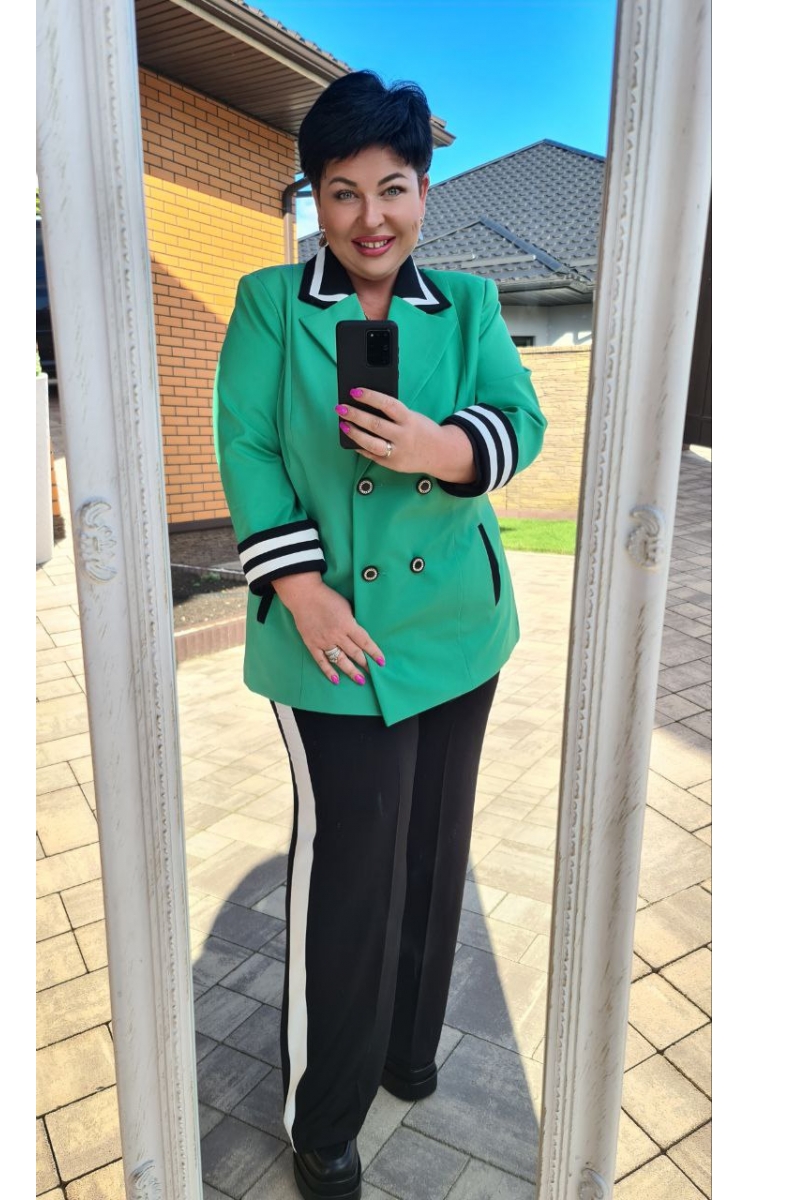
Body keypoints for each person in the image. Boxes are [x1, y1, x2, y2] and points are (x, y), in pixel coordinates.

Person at [213, 69, 547, 1200]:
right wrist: (301, 589)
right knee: (350, 871)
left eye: (392, 188)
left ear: (424, 192)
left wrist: (443, 450)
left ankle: (410, 1047)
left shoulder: (470, 304)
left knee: (435, 850)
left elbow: (521, 416)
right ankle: (325, 1113)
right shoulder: (270, 302)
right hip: (327, 641)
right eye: (343, 191)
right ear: (315, 196)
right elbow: (248, 444)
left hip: (457, 628)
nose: (370, 218)